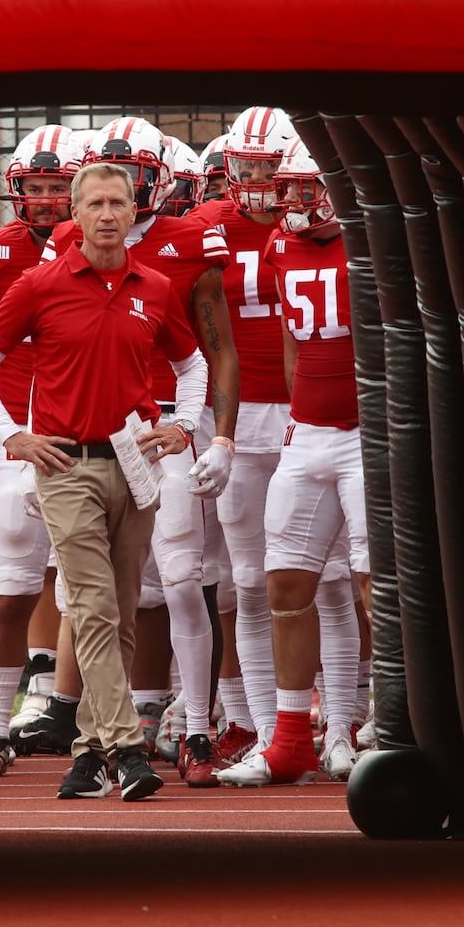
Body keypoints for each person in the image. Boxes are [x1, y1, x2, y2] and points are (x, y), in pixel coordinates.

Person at [0, 160, 209, 801]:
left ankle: (89, 754)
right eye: (92, 203)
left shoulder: (153, 286)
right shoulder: (39, 285)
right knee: (92, 605)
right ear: (75, 212)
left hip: (136, 464)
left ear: (132, 212)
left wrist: (183, 428)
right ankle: (126, 748)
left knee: (121, 613)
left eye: (116, 203)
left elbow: (194, 363)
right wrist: (13, 435)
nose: (104, 214)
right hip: (66, 467)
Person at [218, 139, 367, 787]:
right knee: (284, 585)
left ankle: (373, 724)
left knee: (370, 587)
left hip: (367, 432)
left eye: (310, 189)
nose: (297, 201)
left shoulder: (371, 240)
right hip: (306, 430)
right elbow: (289, 350)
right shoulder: (281, 245)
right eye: (293, 190)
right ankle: (290, 741)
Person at [0, 125, 84, 778]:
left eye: (57, 187)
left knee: (82, 588)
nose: (43, 200)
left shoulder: (107, 252)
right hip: (14, 433)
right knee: (10, 590)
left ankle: (76, 713)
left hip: (82, 431)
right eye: (34, 188)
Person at [189, 106, 300, 766]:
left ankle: (355, 712)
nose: (257, 177)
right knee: (246, 581)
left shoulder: (327, 222)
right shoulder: (207, 228)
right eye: (246, 166)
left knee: (338, 578)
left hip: (308, 412)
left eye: (268, 165)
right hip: (233, 415)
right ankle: (257, 722)